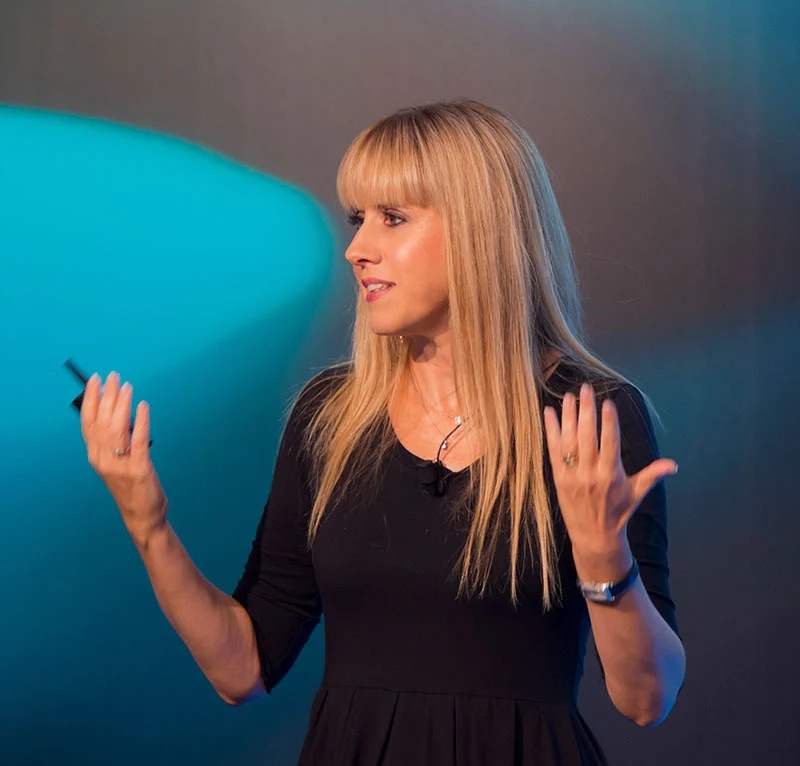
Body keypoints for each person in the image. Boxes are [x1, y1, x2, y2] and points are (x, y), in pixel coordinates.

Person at [80, 100, 685, 765]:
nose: (357, 249)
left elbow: (643, 699)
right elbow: (241, 669)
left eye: (392, 219)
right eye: (357, 219)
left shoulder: (589, 417)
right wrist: (148, 521)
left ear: (483, 231)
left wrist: (605, 559)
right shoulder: (329, 418)